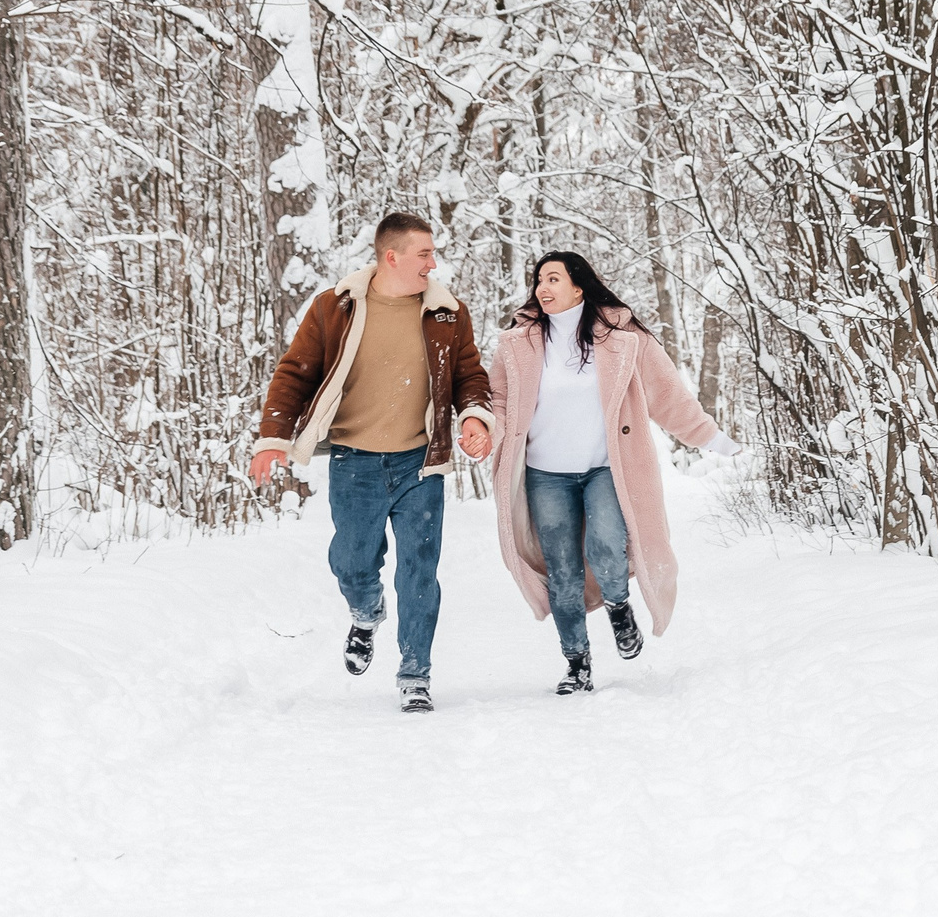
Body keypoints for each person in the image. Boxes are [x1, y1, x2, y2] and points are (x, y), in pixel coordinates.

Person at [249, 211, 494, 714]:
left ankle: (415, 675)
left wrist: (475, 417)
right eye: (423, 253)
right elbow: (295, 372)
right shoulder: (335, 308)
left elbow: (470, 373)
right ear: (392, 256)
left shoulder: (447, 313)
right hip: (354, 461)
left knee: (419, 572)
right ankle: (366, 611)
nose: (432, 263)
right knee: (352, 561)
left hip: (419, 464)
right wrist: (273, 436)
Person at [489, 251, 740, 695]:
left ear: (579, 287)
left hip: (605, 468)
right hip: (545, 474)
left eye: (553, 279)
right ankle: (576, 664)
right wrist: (482, 434)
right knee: (562, 572)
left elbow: (668, 395)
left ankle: (618, 605)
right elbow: (499, 404)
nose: (542, 288)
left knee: (608, 547)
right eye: (538, 281)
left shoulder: (623, 339)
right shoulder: (518, 344)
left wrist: (711, 437)